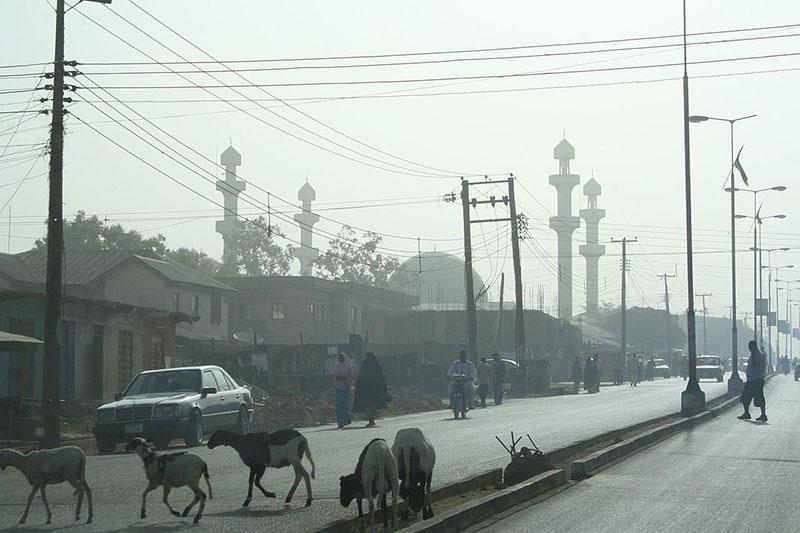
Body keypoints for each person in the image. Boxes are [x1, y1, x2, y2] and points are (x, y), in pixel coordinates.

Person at [352, 352, 391, 427]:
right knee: (367, 406)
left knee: (372, 406)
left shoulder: (376, 367)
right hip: (366, 392)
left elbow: (380, 379)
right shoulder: (365, 366)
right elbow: (361, 379)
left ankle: (371, 419)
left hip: (375, 391)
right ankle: (370, 419)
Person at [739, 340, 768, 422]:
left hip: (757, 380)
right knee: (745, 397)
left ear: (754, 347)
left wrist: (753, 355)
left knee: (759, 398)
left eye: (750, 347)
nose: (749, 349)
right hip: (750, 380)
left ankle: (763, 415)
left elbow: (755, 364)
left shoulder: (760, 355)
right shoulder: (752, 356)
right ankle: (746, 413)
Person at [333, 352, 355, 429]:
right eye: (339, 357)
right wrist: (338, 378)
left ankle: (344, 421)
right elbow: (335, 375)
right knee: (338, 406)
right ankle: (340, 422)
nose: (340, 359)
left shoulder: (348, 366)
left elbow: (351, 376)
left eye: (342, 357)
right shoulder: (337, 365)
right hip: (338, 388)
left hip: (345, 388)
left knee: (344, 406)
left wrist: (345, 378)